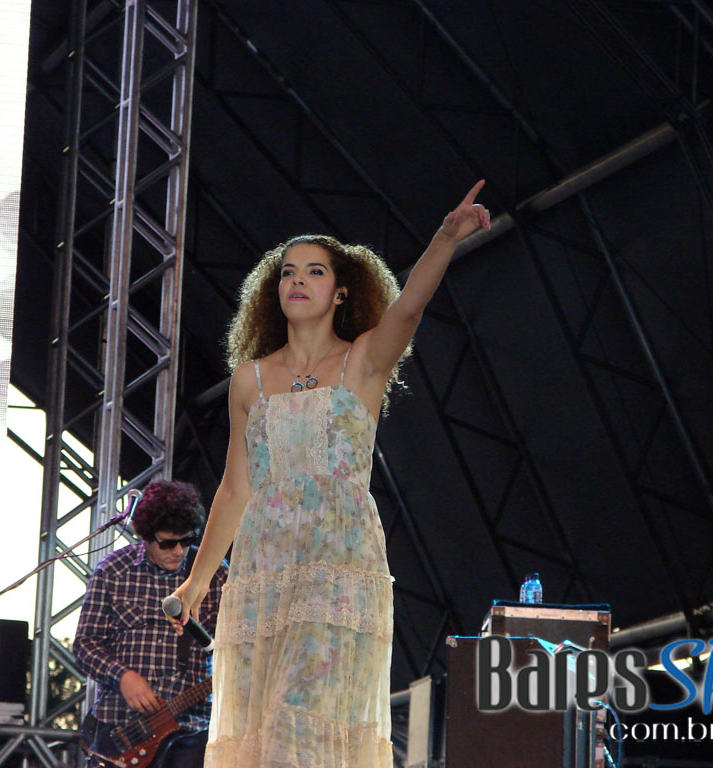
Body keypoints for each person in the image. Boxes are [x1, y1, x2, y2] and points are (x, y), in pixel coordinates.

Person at [167, 181, 491, 767]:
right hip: (266, 569)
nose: (297, 280)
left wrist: (445, 238)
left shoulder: (362, 361)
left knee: (303, 722)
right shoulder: (251, 379)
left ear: (341, 292)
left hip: (337, 566)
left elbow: (410, 307)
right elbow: (237, 487)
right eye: (289, 272)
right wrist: (197, 580)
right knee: (263, 736)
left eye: (314, 272)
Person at [74, 479, 228, 768]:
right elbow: (85, 644)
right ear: (145, 535)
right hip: (120, 726)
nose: (179, 550)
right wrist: (123, 676)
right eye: (168, 542)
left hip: (192, 730)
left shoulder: (215, 576)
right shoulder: (113, 571)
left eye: (187, 540)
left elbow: (232, 648)